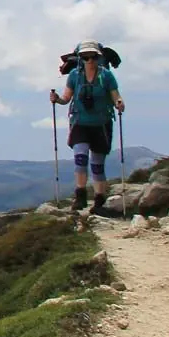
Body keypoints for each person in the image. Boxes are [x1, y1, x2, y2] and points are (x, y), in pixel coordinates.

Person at [50, 40, 124, 216]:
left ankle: (99, 200)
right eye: (85, 57)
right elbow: (67, 98)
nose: (89, 60)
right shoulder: (74, 75)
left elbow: (116, 97)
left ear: (98, 57)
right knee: (81, 158)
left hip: (101, 124)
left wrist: (119, 104)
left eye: (93, 57)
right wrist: (57, 99)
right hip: (80, 123)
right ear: (80, 58)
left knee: (97, 165)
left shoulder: (106, 76)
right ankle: (80, 196)